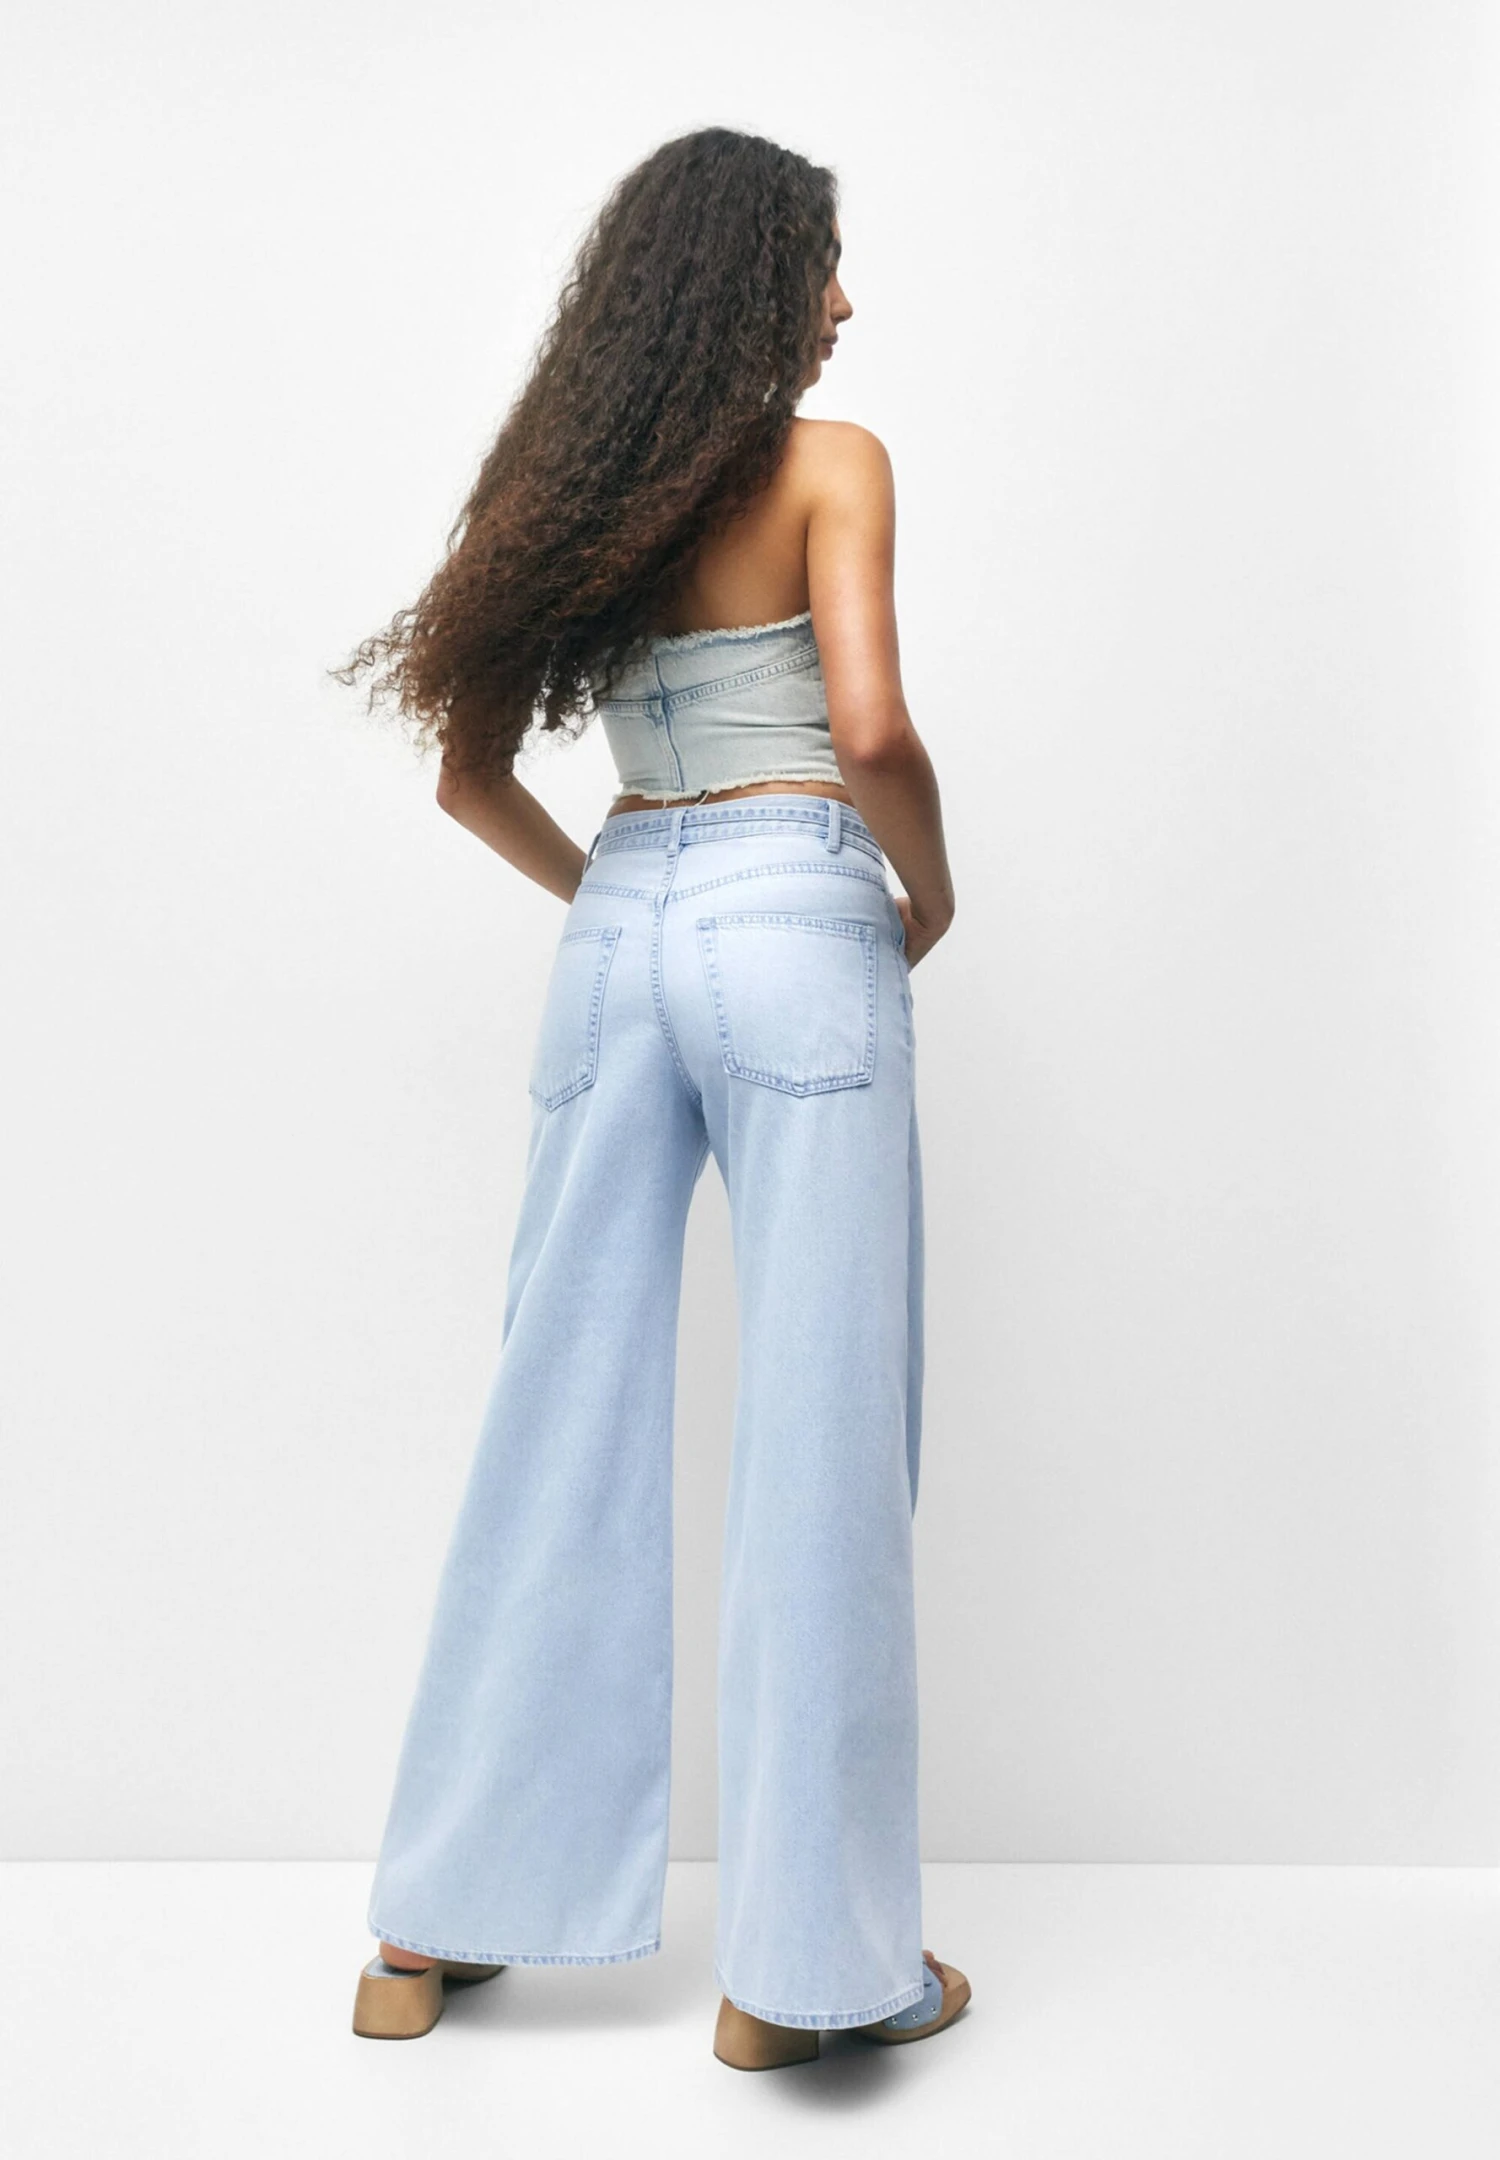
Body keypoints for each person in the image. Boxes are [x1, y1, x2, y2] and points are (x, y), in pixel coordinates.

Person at [330, 124, 966, 2070]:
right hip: (799, 908)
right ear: (753, 274)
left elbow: (468, 770)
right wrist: (928, 896)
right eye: (822, 261)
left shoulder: (572, 487)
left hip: (621, 926)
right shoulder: (832, 465)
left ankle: (433, 1923)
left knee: (557, 1408)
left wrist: (625, 893)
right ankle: (807, 1976)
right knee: (824, 1432)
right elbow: (871, 729)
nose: (845, 301)